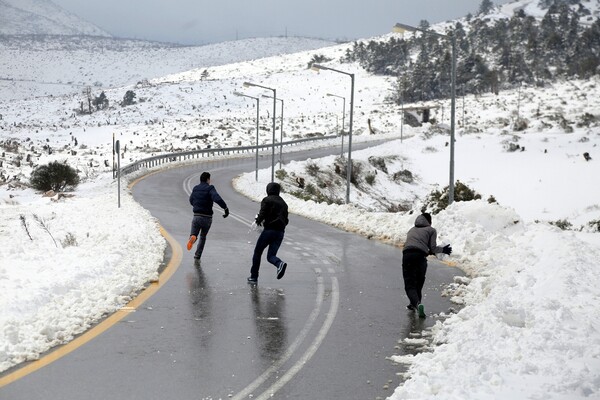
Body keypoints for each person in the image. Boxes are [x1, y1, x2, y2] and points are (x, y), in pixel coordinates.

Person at [402, 212, 451, 318]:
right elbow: (432, 248)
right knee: (419, 282)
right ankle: (415, 304)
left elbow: (412, 245)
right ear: (429, 221)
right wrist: (443, 250)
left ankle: (416, 304)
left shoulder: (411, 230)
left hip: (408, 256)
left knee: (410, 284)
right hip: (420, 258)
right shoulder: (431, 230)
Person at [248, 182, 289, 283]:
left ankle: (253, 277)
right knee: (271, 256)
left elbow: (263, 213)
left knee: (258, 252)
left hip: (269, 231)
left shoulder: (267, 200)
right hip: (280, 233)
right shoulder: (284, 203)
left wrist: (258, 221)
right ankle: (279, 263)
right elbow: (286, 220)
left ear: (268, 190)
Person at [187, 171, 229, 261]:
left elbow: (191, 200)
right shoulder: (210, 188)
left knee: (194, 233)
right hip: (207, 218)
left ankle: (193, 237)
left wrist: (197, 205)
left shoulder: (195, 188)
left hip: (197, 216)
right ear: (207, 179)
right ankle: (197, 255)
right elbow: (217, 198)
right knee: (203, 236)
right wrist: (225, 208)